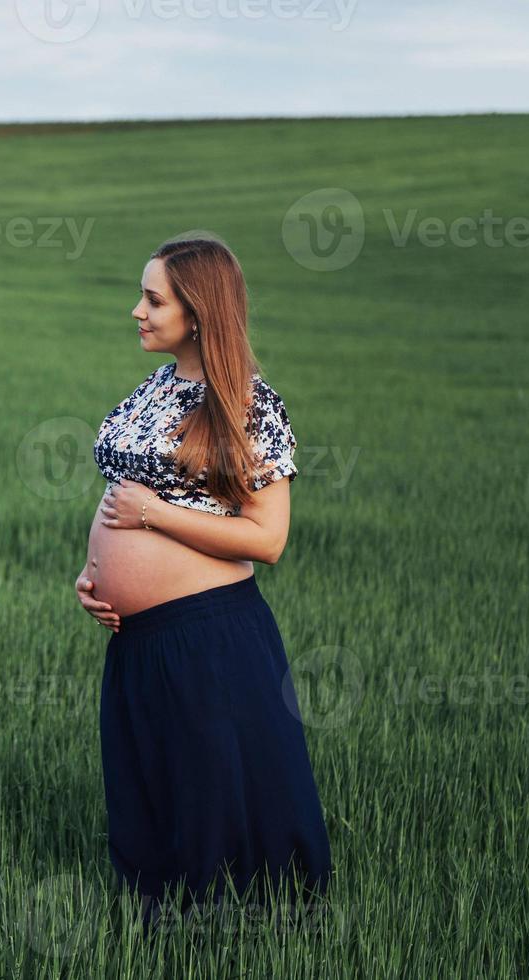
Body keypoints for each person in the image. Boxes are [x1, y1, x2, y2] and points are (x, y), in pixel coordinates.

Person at [74, 233, 332, 923]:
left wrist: (151, 514)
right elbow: (120, 497)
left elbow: (267, 538)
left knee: (215, 807)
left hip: (208, 635)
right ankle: (160, 928)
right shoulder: (155, 388)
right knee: (152, 793)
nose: (137, 311)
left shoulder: (248, 404)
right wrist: (94, 574)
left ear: (198, 311)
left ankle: (242, 934)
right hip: (139, 637)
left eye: (153, 300)